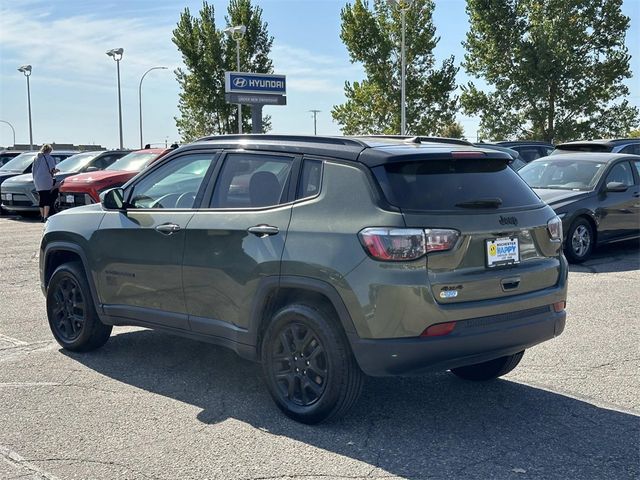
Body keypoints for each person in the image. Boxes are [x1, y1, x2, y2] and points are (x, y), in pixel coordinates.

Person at [32, 144, 59, 222]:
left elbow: (33, 170)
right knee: (47, 198)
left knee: (41, 198)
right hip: (46, 180)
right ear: (49, 150)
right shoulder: (49, 158)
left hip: (37, 181)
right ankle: (45, 217)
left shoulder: (36, 158)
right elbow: (52, 170)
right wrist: (57, 170)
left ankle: (42, 215)